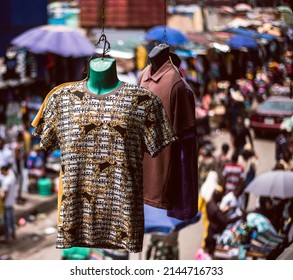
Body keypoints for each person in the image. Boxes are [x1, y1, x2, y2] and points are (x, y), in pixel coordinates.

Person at [31, 55, 177, 253]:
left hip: (123, 223)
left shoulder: (144, 101)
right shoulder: (60, 100)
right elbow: (46, 142)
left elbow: (160, 149)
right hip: (76, 222)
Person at [138, 43, 198, 220]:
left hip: (160, 179)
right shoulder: (143, 75)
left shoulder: (177, 85)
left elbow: (186, 147)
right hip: (142, 172)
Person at [198, 171, 223, 248]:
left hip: (205, 212)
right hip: (215, 212)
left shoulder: (204, 187)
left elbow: (200, 203)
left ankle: (205, 244)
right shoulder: (219, 188)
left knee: (207, 228)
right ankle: (207, 244)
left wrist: (199, 211)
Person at [0, 165, 17, 241]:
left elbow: (5, 193)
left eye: (2, 171)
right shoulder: (12, 175)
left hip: (6, 203)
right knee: (12, 219)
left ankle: (8, 237)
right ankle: (13, 234)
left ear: (5, 170)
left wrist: (2, 202)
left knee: (7, 221)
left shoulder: (6, 181)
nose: (1, 173)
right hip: (11, 201)